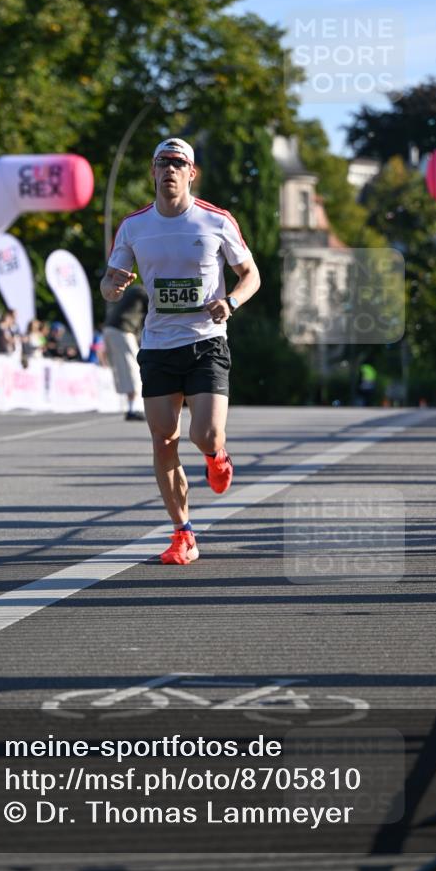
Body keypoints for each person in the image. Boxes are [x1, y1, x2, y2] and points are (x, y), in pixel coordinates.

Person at [100, 136, 260, 565]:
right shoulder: (134, 226)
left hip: (206, 341)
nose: (169, 169)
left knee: (204, 434)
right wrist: (113, 286)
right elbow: (109, 283)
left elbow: (251, 274)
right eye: (162, 162)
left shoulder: (217, 221)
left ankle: (216, 455)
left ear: (192, 173)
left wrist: (232, 302)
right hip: (158, 345)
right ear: (152, 172)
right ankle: (183, 533)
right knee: (163, 440)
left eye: (178, 163)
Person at [103, 284, 148, 421]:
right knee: (133, 370)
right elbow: (154, 313)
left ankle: (132, 407)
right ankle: (134, 408)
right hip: (123, 330)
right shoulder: (143, 291)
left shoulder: (134, 289)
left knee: (125, 370)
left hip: (111, 329)